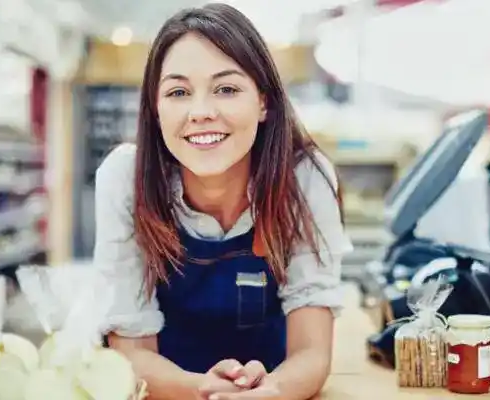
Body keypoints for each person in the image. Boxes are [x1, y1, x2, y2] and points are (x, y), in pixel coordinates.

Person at [93, 4, 352, 400]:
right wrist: (202, 389)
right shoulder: (126, 178)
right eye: (178, 92)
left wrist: (273, 391)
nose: (201, 113)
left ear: (263, 102)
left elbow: (312, 351)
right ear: (156, 110)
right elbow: (130, 355)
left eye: (226, 89)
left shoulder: (305, 177)